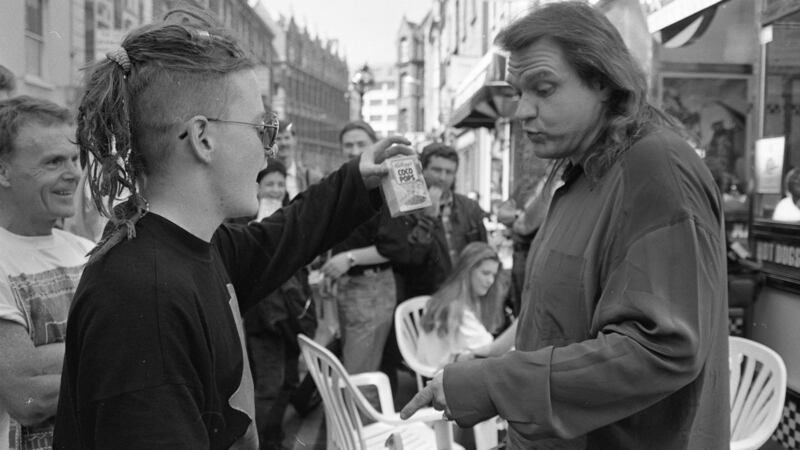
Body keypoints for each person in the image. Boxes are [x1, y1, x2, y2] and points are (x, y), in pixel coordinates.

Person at [52, 20, 411, 449]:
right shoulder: (142, 296)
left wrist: (356, 181)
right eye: (262, 129)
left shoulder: (194, 245)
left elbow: (280, 240)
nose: (269, 150)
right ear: (203, 138)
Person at [400, 3, 730, 449]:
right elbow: (558, 315)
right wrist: (490, 357)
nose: (523, 111)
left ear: (603, 81)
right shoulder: (580, 170)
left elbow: (658, 349)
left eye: (544, 88)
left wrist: (494, 382)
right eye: (520, 92)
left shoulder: (657, 166)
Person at [0, 96, 94, 449]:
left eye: (74, 159)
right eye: (53, 162)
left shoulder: (88, 252)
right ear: (3, 171)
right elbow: (28, 396)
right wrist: (115, 351)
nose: (73, 174)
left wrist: (44, 357)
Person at [242, 160, 317, 449]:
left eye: (279, 183)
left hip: (291, 315)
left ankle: (273, 435)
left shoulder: (291, 215)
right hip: (263, 319)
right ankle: (258, 441)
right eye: (269, 183)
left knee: (288, 379)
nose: (275, 189)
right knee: (269, 385)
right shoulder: (244, 218)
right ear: (257, 186)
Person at [321, 121, 397, 375]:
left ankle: (355, 416)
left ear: (374, 145)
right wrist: (333, 268)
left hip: (371, 289)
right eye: (348, 145)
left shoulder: (388, 182)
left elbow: (395, 244)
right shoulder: (345, 183)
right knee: (349, 371)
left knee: (359, 379)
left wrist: (349, 259)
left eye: (360, 144)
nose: (354, 150)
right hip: (346, 287)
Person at [417, 242, 515, 369]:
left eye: (493, 275)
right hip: (443, 376)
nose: (490, 281)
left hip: (448, 366)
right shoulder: (455, 307)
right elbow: (490, 352)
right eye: (485, 273)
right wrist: (521, 323)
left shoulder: (453, 296)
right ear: (467, 271)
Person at [274, 120, 323, 200]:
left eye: (287, 138)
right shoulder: (263, 175)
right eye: (278, 139)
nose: (283, 143)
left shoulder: (311, 178)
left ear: (294, 140)